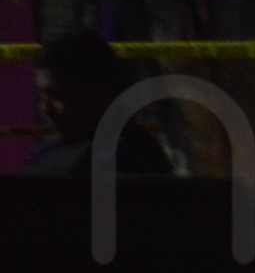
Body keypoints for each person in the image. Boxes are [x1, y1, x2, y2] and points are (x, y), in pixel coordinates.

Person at [25, 29, 171, 177]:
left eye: (56, 96)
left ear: (97, 95)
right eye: (43, 96)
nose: (45, 108)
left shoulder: (127, 158)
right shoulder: (56, 152)